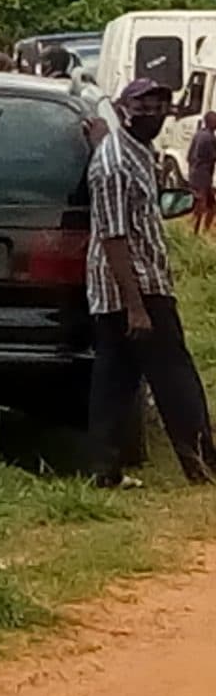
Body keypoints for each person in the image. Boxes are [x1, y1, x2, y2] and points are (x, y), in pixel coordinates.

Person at [87, 79, 216, 488]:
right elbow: (113, 236)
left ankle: (104, 470)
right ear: (125, 109)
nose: (154, 113)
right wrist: (137, 306)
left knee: (115, 383)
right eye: (144, 105)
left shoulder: (136, 152)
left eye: (161, 104)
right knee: (176, 378)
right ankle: (203, 467)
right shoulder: (113, 164)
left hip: (134, 288)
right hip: (133, 288)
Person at [190, 112, 216, 235]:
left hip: (194, 173)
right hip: (204, 176)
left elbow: (189, 156)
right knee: (204, 205)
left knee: (203, 204)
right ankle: (198, 232)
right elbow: (213, 156)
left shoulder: (198, 134)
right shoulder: (210, 138)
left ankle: (199, 231)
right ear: (211, 122)